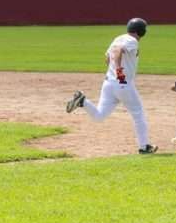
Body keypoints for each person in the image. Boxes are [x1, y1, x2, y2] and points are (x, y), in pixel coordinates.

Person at [66, 18, 158, 155]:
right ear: (141, 31)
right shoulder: (131, 40)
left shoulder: (118, 37)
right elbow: (117, 51)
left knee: (99, 116)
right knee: (138, 114)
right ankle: (144, 147)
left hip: (109, 83)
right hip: (123, 83)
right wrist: (120, 72)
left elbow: (107, 57)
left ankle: (83, 101)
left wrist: (113, 71)